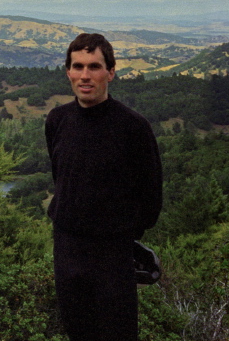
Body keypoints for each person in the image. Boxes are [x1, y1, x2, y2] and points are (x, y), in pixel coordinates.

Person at [45, 32, 163, 340]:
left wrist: (120, 234)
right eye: (78, 66)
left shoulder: (133, 127)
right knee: (78, 332)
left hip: (112, 252)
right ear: (68, 71)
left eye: (94, 67)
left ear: (110, 72)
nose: (85, 75)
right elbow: (62, 178)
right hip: (67, 248)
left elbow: (151, 199)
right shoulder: (57, 120)